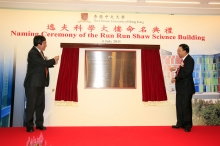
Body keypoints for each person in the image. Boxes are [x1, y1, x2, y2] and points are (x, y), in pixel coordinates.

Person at [24, 35, 59, 132]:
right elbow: (43, 63)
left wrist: (51, 63)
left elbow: (41, 65)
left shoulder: (40, 53)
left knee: (40, 105)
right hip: (32, 84)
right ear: (39, 44)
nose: (46, 45)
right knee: (31, 105)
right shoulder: (32, 53)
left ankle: (39, 124)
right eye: (44, 43)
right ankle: (29, 126)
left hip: (40, 83)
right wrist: (54, 59)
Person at [170, 44, 195, 132]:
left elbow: (187, 73)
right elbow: (182, 71)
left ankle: (187, 125)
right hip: (181, 88)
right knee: (179, 106)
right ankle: (180, 123)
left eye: (179, 50)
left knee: (186, 107)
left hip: (186, 88)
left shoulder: (190, 60)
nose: (178, 52)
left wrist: (176, 78)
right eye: (177, 51)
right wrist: (176, 69)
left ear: (185, 51)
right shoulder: (183, 60)